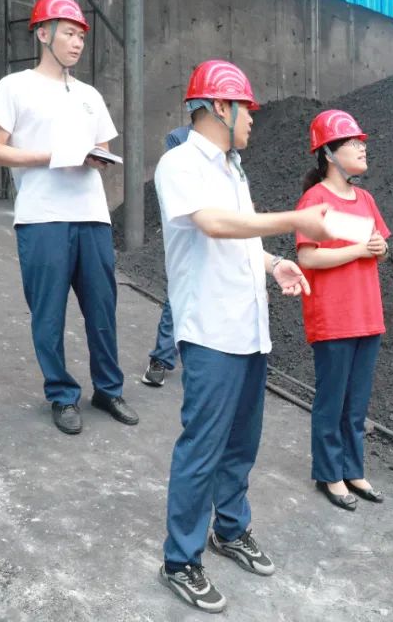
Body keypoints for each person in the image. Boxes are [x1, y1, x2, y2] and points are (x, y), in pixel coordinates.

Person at [154, 59, 330, 613]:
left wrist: (274, 264)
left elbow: (241, 239)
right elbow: (214, 225)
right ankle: (180, 561)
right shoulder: (180, 163)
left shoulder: (233, 169)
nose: (253, 119)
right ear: (218, 108)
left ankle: (229, 529)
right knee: (202, 447)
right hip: (210, 331)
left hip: (248, 331)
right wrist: (295, 222)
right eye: (246, 109)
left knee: (241, 444)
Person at [0, 0, 138, 436]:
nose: (77, 43)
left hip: (92, 216)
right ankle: (62, 394)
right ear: (42, 34)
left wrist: (94, 157)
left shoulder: (90, 96)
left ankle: (108, 389)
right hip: (42, 217)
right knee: (48, 315)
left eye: (81, 36)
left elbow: (103, 147)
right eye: (69, 33)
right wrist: (54, 156)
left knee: (102, 310)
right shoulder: (14, 87)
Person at [295, 110, 390, 511]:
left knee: (356, 403)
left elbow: (379, 248)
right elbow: (307, 258)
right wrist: (359, 250)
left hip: (367, 314)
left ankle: (353, 469)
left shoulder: (365, 199)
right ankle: (330, 473)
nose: (362, 148)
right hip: (333, 317)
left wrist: (379, 249)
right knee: (332, 401)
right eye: (353, 143)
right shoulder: (314, 200)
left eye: (361, 142)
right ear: (329, 154)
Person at [142, 124, 191, 387]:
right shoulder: (178, 138)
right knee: (180, 291)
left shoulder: (230, 148)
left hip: (223, 230)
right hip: (189, 229)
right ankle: (161, 358)